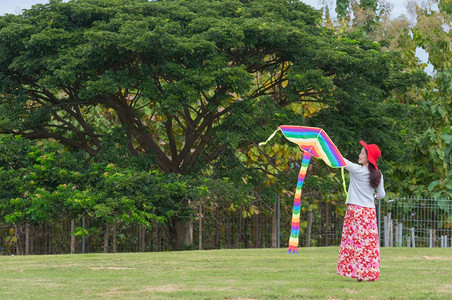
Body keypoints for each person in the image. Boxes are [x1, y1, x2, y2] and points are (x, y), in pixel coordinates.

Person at [336, 141, 385, 282]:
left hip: (355, 211)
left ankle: (357, 273)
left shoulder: (357, 170)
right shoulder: (378, 174)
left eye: (362, 153)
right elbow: (381, 195)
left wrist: (330, 146)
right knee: (368, 244)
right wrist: (373, 197)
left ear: (368, 157)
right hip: (369, 213)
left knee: (353, 242)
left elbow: (340, 160)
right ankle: (368, 273)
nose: (359, 154)